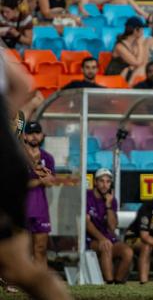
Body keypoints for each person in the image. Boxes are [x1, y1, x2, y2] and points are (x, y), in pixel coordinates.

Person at [0, 41, 71, 299]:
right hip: (8, 159)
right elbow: (22, 85)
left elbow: (28, 90)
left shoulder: (18, 121)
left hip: (5, 163)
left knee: (17, 266)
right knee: (16, 265)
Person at [86, 168, 133, 284]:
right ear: (95, 182)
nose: (104, 185)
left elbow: (112, 227)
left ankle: (118, 283)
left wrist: (108, 206)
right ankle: (109, 283)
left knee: (128, 252)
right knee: (107, 246)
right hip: (89, 238)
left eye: (108, 182)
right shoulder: (87, 196)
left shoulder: (112, 200)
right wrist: (101, 239)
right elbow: (86, 223)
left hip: (107, 237)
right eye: (101, 181)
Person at [23, 121, 54, 268]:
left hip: (41, 209)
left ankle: (41, 285)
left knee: (41, 249)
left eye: (37, 133)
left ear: (42, 135)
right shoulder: (19, 156)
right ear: (24, 136)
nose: (34, 136)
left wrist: (39, 178)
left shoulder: (47, 158)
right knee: (23, 251)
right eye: (30, 133)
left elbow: (49, 182)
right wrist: (40, 179)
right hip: (22, 209)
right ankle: (19, 283)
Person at [104, 16, 147, 86]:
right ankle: (129, 88)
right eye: (142, 29)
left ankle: (130, 87)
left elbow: (143, 61)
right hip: (115, 75)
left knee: (144, 68)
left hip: (128, 73)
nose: (143, 32)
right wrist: (140, 44)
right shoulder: (120, 46)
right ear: (135, 30)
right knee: (141, 68)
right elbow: (137, 63)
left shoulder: (135, 44)